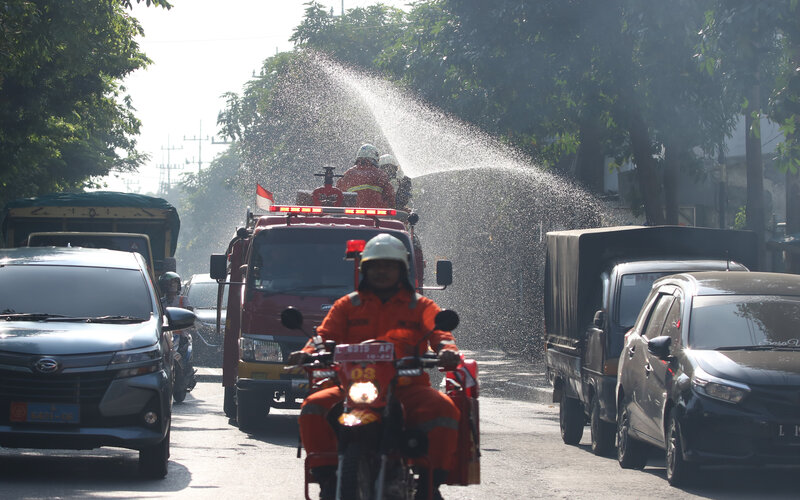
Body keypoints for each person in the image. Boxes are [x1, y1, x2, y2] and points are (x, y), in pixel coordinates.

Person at [288, 233, 461, 500]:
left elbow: (441, 335)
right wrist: (306, 352)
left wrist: (448, 352)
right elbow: (323, 336)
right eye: (376, 266)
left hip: (406, 387)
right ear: (365, 269)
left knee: (443, 408)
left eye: (389, 266)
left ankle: (430, 481)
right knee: (313, 405)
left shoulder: (421, 306)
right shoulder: (347, 305)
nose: (382, 271)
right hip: (350, 386)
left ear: (401, 270)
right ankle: (326, 479)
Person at [337, 143, 396, 208]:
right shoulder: (380, 174)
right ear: (375, 158)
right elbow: (390, 197)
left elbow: (338, 193)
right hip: (376, 214)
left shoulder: (349, 173)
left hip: (352, 213)